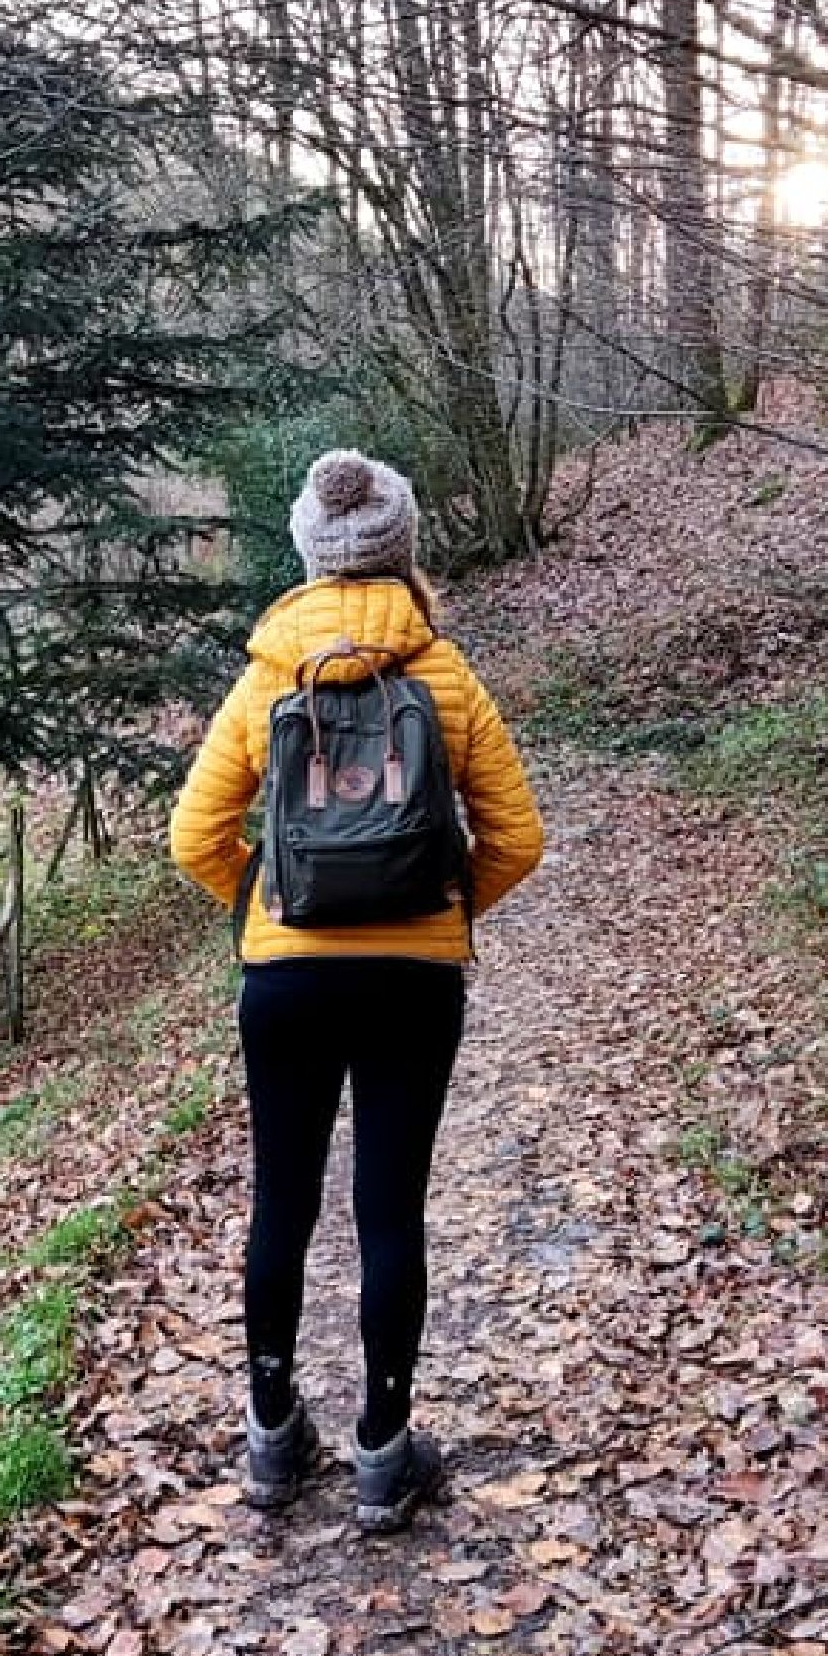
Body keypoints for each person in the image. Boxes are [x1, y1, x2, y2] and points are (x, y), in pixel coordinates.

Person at [170, 448, 544, 1532]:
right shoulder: (445, 676)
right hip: (411, 982)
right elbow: (518, 838)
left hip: (284, 976)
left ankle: (271, 1434)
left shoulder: (266, 677)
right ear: (402, 546)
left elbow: (193, 836)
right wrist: (441, 910)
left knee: (280, 1201)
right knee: (389, 1208)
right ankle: (383, 1449)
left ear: (307, 550)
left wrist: (271, 908)